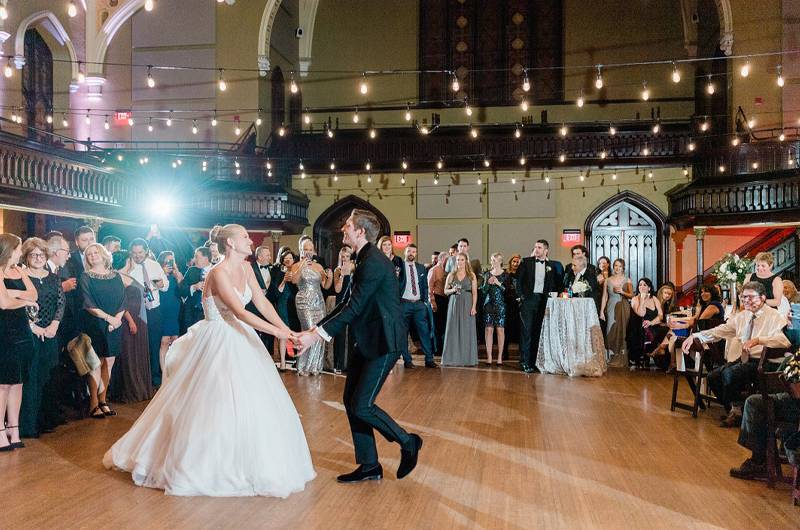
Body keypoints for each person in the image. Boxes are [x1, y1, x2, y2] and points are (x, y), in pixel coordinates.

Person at [104, 223, 315, 497]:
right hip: (217, 337)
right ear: (229, 243)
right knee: (214, 402)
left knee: (252, 401)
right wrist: (277, 332)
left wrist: (287, 331)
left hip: (240, 337)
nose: (250, 241)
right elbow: (238, 311)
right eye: (244, 237)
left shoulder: (247, 268)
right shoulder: (218, 272)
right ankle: (200, 465)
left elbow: (262, 303)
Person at [295, 209, 421, 484]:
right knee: (351, 401)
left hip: (385, 341)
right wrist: (314, 330)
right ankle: (369, 464)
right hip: (367, 339)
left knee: (362, 405)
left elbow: (353, 308)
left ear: (361, 232)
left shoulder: (373, 262)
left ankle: (408, 441)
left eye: (348, 225)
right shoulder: (363, 259)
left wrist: (314, 337)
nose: (343, 228)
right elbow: (346, 304)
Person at [682, 281, 790, 427]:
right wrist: (696, 336)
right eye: (743, 297)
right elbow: (721, 330)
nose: (746, 301)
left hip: (764, 362)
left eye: (751, 297)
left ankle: (740, 410)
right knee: (713, 377)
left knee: (730, 374)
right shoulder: (742, 316)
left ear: (763, 297)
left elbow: (784, 342)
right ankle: (736, 409)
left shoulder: (774, 316)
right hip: (745, 359)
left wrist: (758, 340)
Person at [19, 238, 64, 439]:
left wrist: (54, 325)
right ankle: (29, 425)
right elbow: (19, 306)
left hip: (51, 333)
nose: (38, 258)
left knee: (48, 376)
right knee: (31, 378)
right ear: (27, 257)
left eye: (41, 255)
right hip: (29, 334)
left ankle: (47, 420)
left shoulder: (54, 278)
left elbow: (60, 304)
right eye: (33, 255)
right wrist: (34, 327)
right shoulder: (21, 276)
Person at [81, 243, 132, 419]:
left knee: (109, 363)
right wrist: (109, 319)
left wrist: (117, 319)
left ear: (104, 255)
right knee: (95, 364)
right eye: (89, 254)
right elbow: (88, 304)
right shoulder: (86, 276)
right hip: (95, 324)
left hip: (115, 325)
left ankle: (103, 401)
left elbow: (123, 300)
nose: (93, 256)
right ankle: (93, 404)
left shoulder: (116, 276)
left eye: (96, 252)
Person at [0, 234, 38, 451]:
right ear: (9, 249)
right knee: (3, 383)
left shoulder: (20, 270)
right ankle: (0, 431)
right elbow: (3, 304)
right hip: (4, 332)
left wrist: (17, 295)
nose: (20, 251)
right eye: (18, 247)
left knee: (18, 382)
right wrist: (23, 298)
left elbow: (34, 293)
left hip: (23, 331)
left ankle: (14, 429)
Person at [109, 251, 153, 404]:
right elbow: (120, 303)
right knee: (130, 354)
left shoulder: (129, 276)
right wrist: (131, 321)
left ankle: (140, 388)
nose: (133, 261)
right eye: (131, 259)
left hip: (140, 318)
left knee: (138, 353)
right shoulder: (116, 277)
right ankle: (130, 390)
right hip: (130, 321)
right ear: (126, 261)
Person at [125, 238, 169, 387]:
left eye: (140, 252)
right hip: (137, 311)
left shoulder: (154, 265)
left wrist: (162, 284)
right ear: (131, 252)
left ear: (146, 251)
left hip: (154, 309)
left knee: (154, 344)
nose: (137, 256)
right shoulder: (128, 266)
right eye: (135, 252)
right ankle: (140, 379)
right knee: (139, 345)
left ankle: (155, 379)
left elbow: (166, 286)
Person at [516, 240, 563, 373]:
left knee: (538, 332)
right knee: (526, 331)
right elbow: (518, 281)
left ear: (546, 250)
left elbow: (555, 284)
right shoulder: (526, 262)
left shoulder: (551, 266)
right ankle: (524, 362)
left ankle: (534, 361)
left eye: (539, 247)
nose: (536, 249)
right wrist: (520, 298)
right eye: (535, 247)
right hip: (528, 301)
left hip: (542, 302)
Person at [652, 284, 723, 371]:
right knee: (675, 327)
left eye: (706, 291)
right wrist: (680, 323)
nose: (703, 294)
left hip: (707, 337)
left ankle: (664, 351)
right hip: (701, 333)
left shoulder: (713, 305)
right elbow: (694, 319)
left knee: (674, 330)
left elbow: (698, 321)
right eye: (701, 292)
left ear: (712, 292)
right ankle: (668, 356)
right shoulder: (706, 305)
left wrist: (682, 324)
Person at [290, 237, 331, 376]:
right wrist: (302, 265)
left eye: (310, 249)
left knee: (318, 331)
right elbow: (294, 280)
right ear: (301, 251)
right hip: (304, 301)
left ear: (314, 251)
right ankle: (303, 365)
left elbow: (325, 286)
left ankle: (315, 366)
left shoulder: (318, 266)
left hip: (318, 301)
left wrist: (331, 277)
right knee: (308, 330)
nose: (308, 252)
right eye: (305, 249)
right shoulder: (296, 265)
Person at [398, 244, 436, 369]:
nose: (411, 253)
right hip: (404, 303)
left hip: (419, 304)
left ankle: (429, 359)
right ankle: (407, 360)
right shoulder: (400, 267)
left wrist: (425, 301)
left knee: (424, 332)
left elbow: (425, 285)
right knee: (403, 333)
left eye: (414, 252)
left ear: (416, 254)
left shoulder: (421, 268)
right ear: (405, 252)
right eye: (409, 251)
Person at [59, 226, 95, 345]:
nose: (89, 243)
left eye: (91, 239)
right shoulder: (69, 259)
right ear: (77, 242)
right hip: (77, 313)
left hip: (98, 311)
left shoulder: (102, 258)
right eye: (85, 240)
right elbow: (69, 287)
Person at [441, 252, 479, 367]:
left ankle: (467, 359)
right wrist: (452, 290)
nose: (460, 262)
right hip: (454, 303)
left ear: (466, 261)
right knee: (453, 330)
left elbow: (475, 293)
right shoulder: (451, 275)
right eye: (458, 260)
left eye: (462, 260)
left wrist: (473, 307)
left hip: (467, 303)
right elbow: (445, 291)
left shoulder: (471, 275)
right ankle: (452, 358)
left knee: (466, 330)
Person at [600, 258, 633, 367]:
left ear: (623, 267)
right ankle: (610, 356)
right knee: (610, 331)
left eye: (619, 266)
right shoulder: (608, 280)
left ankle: (621, 356)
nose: (617, 268)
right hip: (610, 306)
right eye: (615, 266)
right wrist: (601, 312)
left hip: (623, 306)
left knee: (622, 331)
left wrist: (622, 292)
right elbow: (604, 296)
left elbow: (631, 295)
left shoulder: (627, 280)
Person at [626, 277, 663, 370]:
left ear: (649, 288)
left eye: (644, 285)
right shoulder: (635, 299)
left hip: (653, 324)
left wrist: (652, 322)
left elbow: (661, 316)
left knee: (664, 331)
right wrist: (642, 299)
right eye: (640, 285)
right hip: (639, 327)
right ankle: (643, 356)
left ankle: (660, 356)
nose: (641, 287)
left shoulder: (654, 298)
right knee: (644, 330)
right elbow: (641, 313)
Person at [156, 251, 182, 375]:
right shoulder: (158, 276)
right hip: (163, 311)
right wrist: (163, 272)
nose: (169, 264)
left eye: (172, 261)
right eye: (167, 261)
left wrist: (176, 273)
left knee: (175, 340)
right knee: (164, 341)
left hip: (175, 312)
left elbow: (183, 289)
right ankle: (164, 373)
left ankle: (173, 371)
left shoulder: (176, 276)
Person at [247, 244, 276, 354]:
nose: (270, 257)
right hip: (253, 306)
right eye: (267, 255)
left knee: (268, 332)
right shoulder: (250, 268)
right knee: (253, 331)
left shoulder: (273, 269)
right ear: (259, 257)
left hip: (269, 306)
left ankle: (267, 355)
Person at [273, 247, 299, 370]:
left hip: (295, 305)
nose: (288, 260)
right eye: (286, 259)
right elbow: (277, 291)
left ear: (294, 260)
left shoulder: (297, 271)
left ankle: (297, 360)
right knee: (283, 333)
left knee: (296, 332)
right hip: (283, 305)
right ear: (282, 261)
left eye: (290, 258)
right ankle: (283, 363)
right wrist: (284, 280)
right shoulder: (279, 272)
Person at [482, 253, 507, 365]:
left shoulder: (505, 275)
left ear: (500, 261)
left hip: (501, 305)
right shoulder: (487, 274)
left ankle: (500, 357)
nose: (493, 262)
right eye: (492, 260)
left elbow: (508, 291)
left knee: (500, 330)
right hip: (489, 305)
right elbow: (483, 291)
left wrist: (498, 283)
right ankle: (489, 357)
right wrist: (487, 284)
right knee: (489, 330)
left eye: (496, 260)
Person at [179, 247, 212, 331]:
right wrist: (194, 287)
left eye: (197, 257)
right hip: (191, 314)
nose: (194, 259)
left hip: (209, 314)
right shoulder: (191, 271)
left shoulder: (216, 271)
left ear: (206, 258)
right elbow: (180, 290)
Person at [332, 245, 354, 373]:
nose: (345, 259)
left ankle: (351, 365)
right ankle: (338, 364)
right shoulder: (337, 270)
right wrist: (341, 275)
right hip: (340, 304)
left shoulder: (355, 268)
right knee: (340, 334)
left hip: (352, 304)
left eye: (347, 256)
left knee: (352, 335)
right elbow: (337, 290)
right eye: (343, 256)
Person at [427, 251, 448, 356]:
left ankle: (442, 348)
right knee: (436, 326)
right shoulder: (434, 270)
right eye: (447, 259)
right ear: (442, 259)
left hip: (445, 299)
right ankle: (436, 349)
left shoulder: (447, 270)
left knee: (443, 325)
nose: (448, 261)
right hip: (436, 298)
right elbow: (429, 288)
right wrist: (432, 302)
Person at [503, 253, 522, 359]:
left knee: (520, 329)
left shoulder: (522, 274)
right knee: (507, 329)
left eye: (517, 262)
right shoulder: (506, 275)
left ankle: (521, 353)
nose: (515, 264)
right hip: (509, 304)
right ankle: (505, 352)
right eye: (514, 261)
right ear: (510, 263)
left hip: (519, 304)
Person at [783, 279, 800, 348]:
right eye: (782, 288)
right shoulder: (783, 301)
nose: (784, 290)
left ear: (792, 288)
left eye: (786, 287)